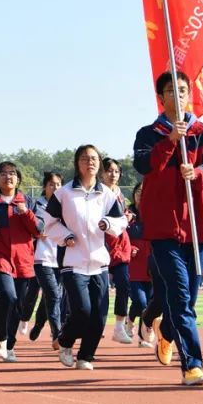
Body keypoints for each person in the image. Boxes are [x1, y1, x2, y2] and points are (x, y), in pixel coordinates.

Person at [132, 71, 203, 386]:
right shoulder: (148, 134)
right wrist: (170, 142)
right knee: (181, 297)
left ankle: (166, 331)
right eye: (172, 90)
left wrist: (196, 173)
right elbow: (145, 165)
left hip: (196, 225)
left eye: (183, 90)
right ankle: (192, 365)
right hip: (163, 227)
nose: (179, 95)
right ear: (162, 97)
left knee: (189, 298)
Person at [43, 145, 127, 371]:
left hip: (99, 262)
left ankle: (85, 357)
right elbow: (49, 223)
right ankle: (65, 341)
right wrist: (66, 236)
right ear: (76, 163)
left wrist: (108, 224)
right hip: (73, 262)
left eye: (93, 158)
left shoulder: (107, 195)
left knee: (99, 317)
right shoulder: (64, 193)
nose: (89, 162)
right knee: (82, 311)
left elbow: (121, 222)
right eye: (84, 158)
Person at [0, 161, 41, 363]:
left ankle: (9, 345)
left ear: (18, 178)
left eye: (12, 173)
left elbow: (39, 229)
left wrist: (25, 213)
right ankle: (0, 338)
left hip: (22, 260)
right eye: (3, 173)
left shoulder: (28, 202)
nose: (8, 177)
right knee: (7, 295)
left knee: (18, 305)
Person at [26, 172, 65, 346]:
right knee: (53, 294)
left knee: (52, 296)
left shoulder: (67, 205)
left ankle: (40, 323)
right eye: (51, 184)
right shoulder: (37, 205)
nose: (55, 188)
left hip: (62, 258)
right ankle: (57, 334)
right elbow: (28, 226)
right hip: (42, 257)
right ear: (44, 187)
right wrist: (35, 233)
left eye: (58, 184)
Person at [101, 157, 133, 345]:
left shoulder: (120, 194)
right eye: (109, 171)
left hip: (120, 247)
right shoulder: (97, 194)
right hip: (101, 247)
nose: (113, 174)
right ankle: (96, 326)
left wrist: (126, 216)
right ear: (102, 174)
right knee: (101, 293)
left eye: (116, 171)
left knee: (124, 284)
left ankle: (119, 327)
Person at [126, 184, 154, 348]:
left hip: (151, 266)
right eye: (138, 192)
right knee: (141, 302)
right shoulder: (127, 215)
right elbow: (118, 237)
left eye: (144, 192)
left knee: (148, 303)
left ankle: (138, 330)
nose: (141, 195)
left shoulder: (154, 214)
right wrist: (129, 248)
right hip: (133, 267)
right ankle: (141, 333)